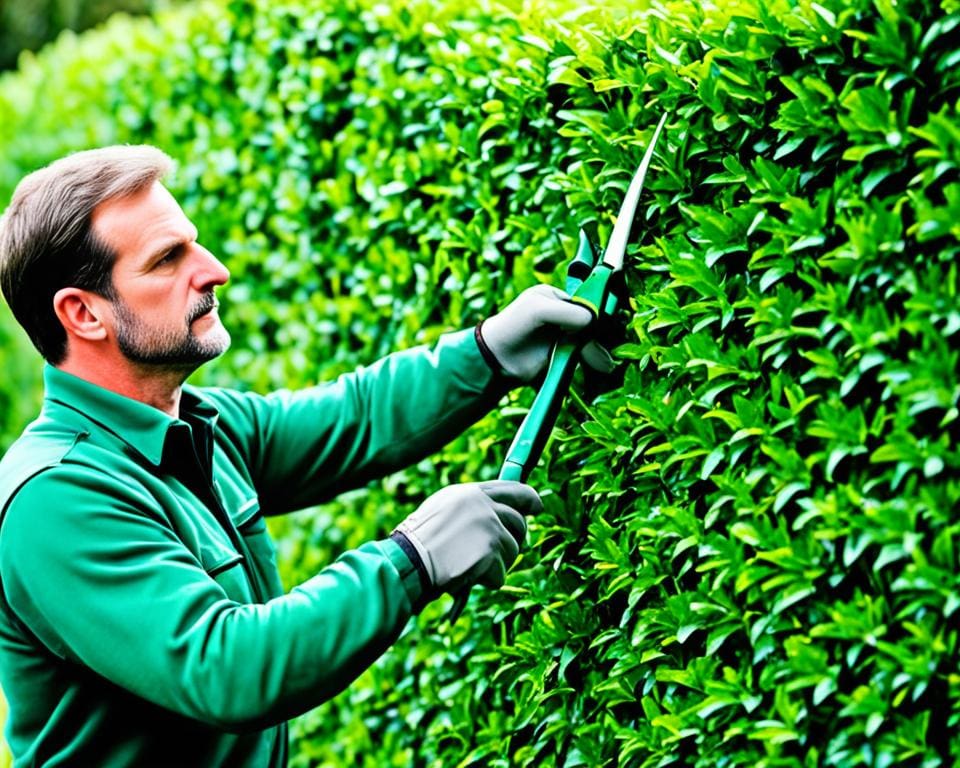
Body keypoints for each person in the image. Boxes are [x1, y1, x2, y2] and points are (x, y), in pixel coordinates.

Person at [0, 145, 607, 766]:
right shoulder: (56, 497)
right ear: (82, 313)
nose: (213, 271)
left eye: (194, 244)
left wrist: (489, 352)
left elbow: (353, 417)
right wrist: (412, 557)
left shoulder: (195, 423)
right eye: (166, 260)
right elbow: (226, 665)